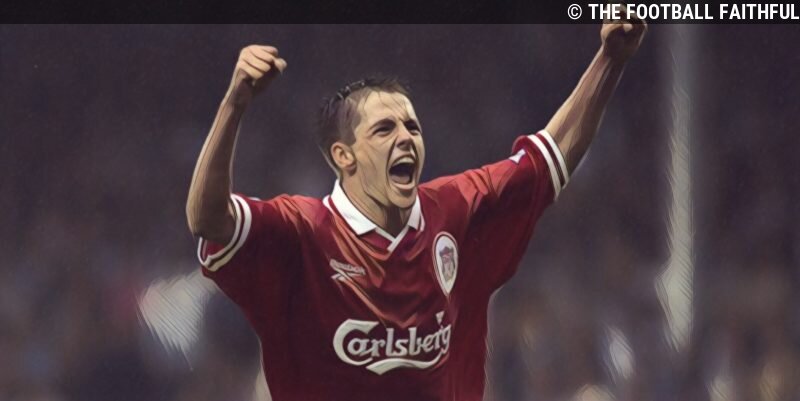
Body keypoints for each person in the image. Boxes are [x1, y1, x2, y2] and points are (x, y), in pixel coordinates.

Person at [186, 19, 647, 401]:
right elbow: (207, 219)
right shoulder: (302, 232)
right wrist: (234, 104)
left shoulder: (457, 208)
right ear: (344, 156)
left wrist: (610, 60)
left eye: (412, 126)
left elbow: (549, 157)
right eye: (384, 129)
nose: (406, 137)